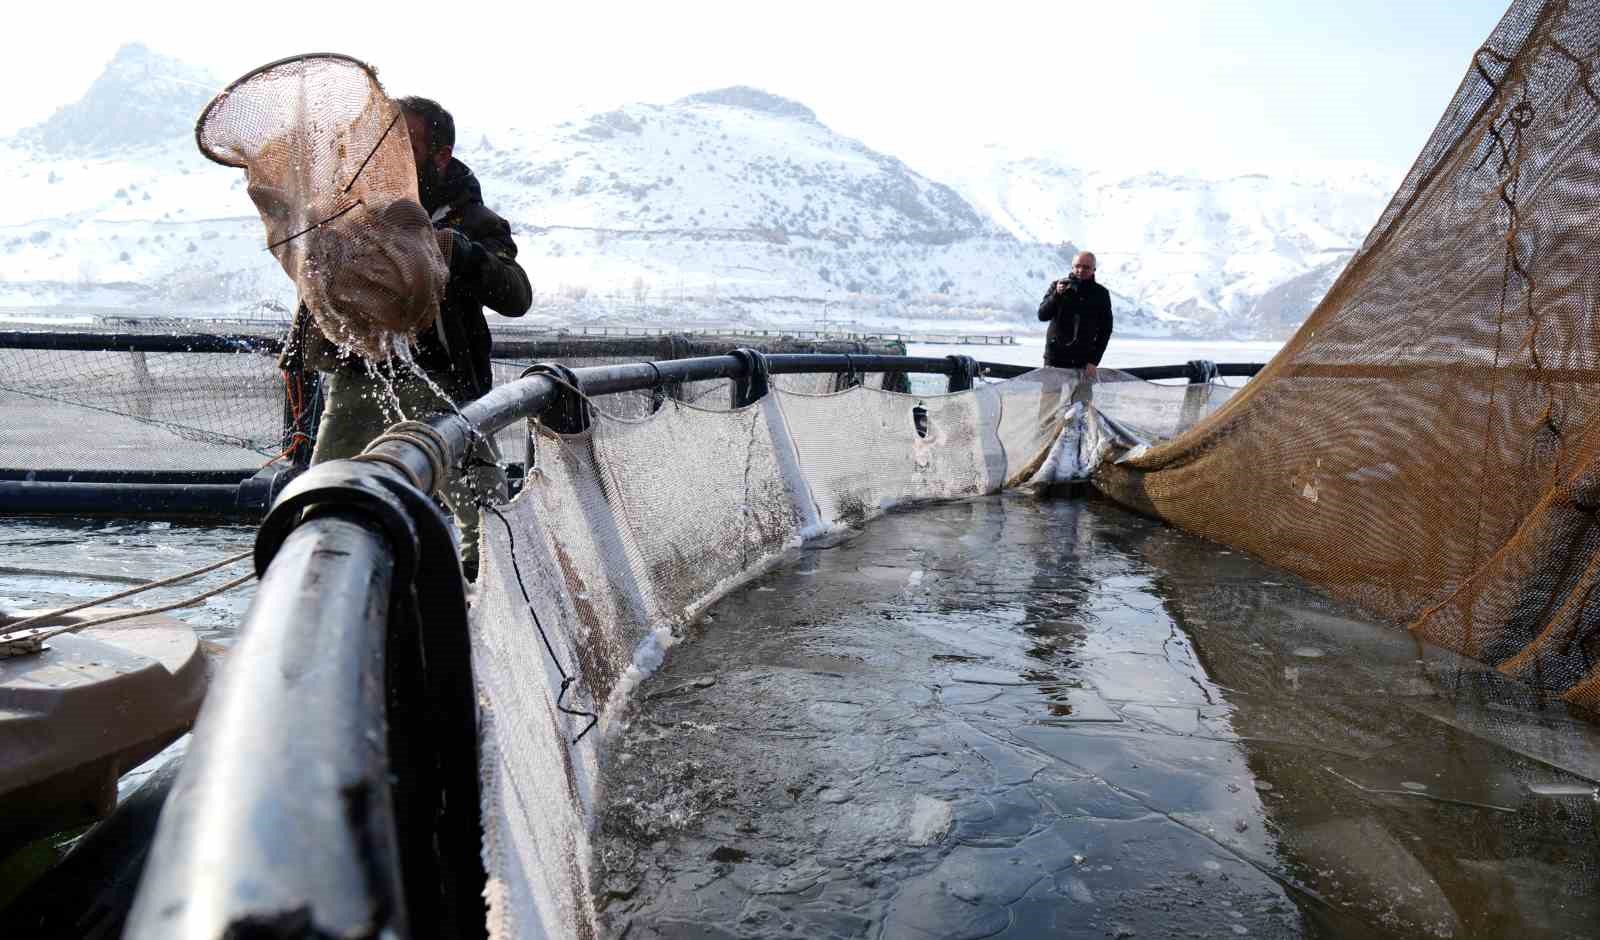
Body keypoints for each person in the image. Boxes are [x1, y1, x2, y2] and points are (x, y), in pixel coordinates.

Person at [286, 95, 533, 580]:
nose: (387, 152)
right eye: (383, 140)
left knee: (484, 519)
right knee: (324, 496)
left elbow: (517, 295)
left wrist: (457, 252)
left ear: (440, 155)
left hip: (442, 385)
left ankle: (495, 609)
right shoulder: (347, 209)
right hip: (357, 375)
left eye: (406, 142)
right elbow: (316, 289)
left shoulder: (473, 222)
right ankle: (315, 599)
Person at [1037, 251, 1113, 376]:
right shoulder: (1057, 286)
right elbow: (1042, 315)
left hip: (1083, 361)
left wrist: (1094, 361)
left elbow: (1106, 330)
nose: (1080, 270)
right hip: (1055, 358)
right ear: (1072, 267)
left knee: (1082, 396)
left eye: (1086, 267)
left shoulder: (1101, 294)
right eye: (1077, 266)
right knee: (1050, 396)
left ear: (1094, 269)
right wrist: (1056, 295)